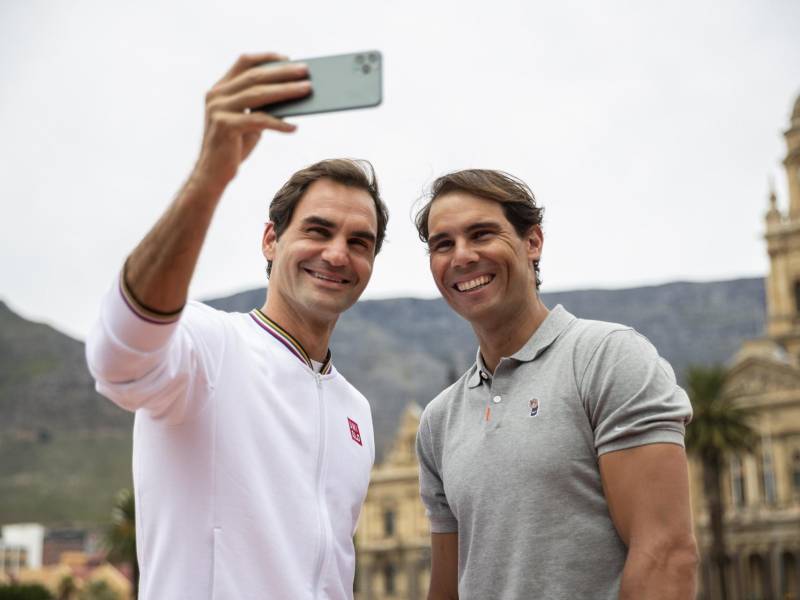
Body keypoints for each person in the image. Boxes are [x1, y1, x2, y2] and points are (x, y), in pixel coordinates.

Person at [85, 52, 389, 599]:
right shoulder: (210, 345)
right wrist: (210, 175)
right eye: (317, 231)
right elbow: (118, 358)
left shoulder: (358, 412)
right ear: (271, 240)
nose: (338, 255)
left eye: (359, 242)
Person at [413, 170, 698, 599]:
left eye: (482, 234)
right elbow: (447, 589)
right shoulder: (438, 421)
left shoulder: (606, 359)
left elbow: (666, 554)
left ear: (533, 242)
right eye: (443, 244)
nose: (462, 256)